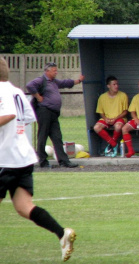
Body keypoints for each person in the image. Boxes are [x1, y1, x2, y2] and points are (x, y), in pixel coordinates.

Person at [0, 57, 76, 262]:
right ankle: (62, 234)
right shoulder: (16, 91)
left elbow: (8, 115)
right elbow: (26, 119)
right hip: (22, 158)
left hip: (5, 159)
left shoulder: (1, 91)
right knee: (24, 207)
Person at [26, 62, 84, 168]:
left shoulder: (54, 82)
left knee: (57, 137)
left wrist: (78, 80)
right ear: (47, 71)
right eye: (54, 71)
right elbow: (29, 85)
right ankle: (42, 161)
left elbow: (65, 83)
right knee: (42, 135)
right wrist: (38, 97)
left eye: (56, 70)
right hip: (44, 111)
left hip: (53, 113)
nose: (56, 72)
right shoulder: (41, 80)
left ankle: (63, 161)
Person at [93, 76, 128, 156]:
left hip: (119, 118)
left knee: (118, 126)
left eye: (117, 84)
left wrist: (115, 118)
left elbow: (125, 112)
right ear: (108, 86)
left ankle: (111, 145)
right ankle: (114, 144)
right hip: (107, 119)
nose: (116, 86)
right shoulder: (102, 97)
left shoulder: (123, 95)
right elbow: (100, 112)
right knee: (96, 127)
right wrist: (105, 118)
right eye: (114, 84)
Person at [122, 78, 139, 158]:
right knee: (124, 129)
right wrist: (137, 120)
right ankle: (131, 151)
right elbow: (132, 111)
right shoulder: (136, 97)